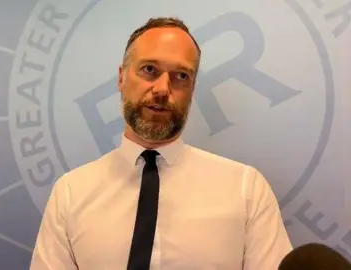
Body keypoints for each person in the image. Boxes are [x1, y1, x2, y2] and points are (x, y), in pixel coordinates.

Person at [29, 17, 293, 270]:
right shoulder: (71, 193)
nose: (162, 89)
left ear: (192, 88)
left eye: (180, 76)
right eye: (149, 70)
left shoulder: (246, 191)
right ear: (121, 77)